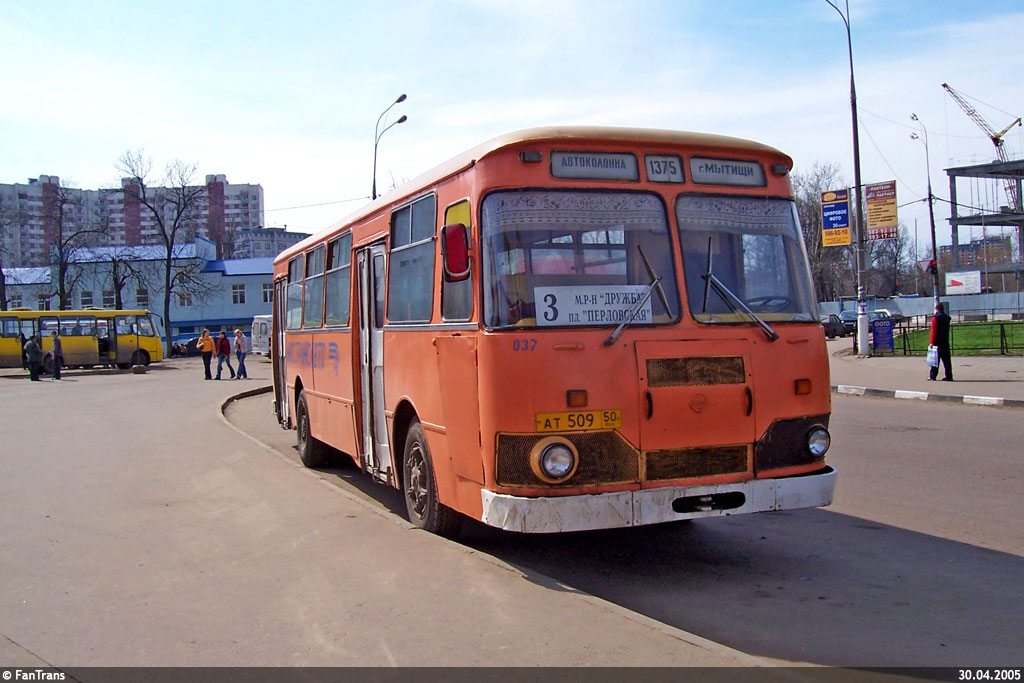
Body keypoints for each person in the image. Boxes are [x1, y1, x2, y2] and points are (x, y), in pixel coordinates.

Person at [929, 301, 953, 381]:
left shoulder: (935, 318)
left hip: (937, 341)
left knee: (935, 360)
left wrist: (932, 342)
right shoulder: (947, 318)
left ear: (936, 309)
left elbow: (933, 331)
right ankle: (949, 376)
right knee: (947, 360)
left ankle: (933, 376)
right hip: (945, 341)